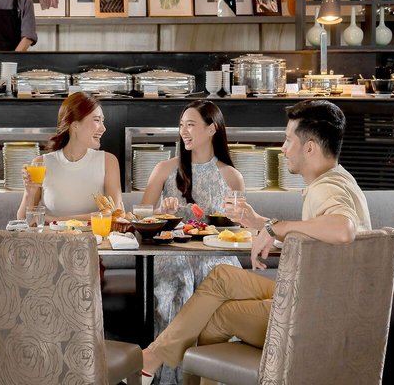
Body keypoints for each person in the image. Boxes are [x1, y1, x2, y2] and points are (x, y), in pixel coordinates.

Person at [139, 100, 372, 381]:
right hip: (312, 292)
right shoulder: (340, 179)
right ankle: (152, 357)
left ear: (309, 147)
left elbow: (343, 229)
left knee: (214, 315)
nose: (283, 149)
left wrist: (275, 228)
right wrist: (261, 222)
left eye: (288, 140)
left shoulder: (327, 189)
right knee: (222, 277)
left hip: (313, 310)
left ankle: (161, 362)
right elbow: (317, 234)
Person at [139, 100, 245, 385]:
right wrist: (162, 211)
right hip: (171, 252)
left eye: (191, 125)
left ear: (212, 129)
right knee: (178, 282)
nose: (184, 131)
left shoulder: (231, 176)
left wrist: (231, 218)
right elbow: (140, 216)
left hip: (215, 254)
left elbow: (238, 226)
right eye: (181, 125)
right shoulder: (164, 169)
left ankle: (210, 377)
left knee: (216, 281)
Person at [17, 91, 122, 222]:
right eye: (97, 120)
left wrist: (53, 220)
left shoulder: (108, 162)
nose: (103, 128)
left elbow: (116, 215)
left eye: (102, 121)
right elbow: (23, 220)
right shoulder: (41, 163)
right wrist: (30, 193)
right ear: (75, 125)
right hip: (51, 235)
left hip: (93, 236)